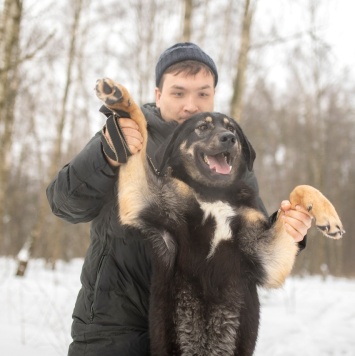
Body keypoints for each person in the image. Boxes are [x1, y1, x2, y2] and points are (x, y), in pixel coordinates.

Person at [46, 42, 312, 356]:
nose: (191, 104)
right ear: (158, 94)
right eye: (178, 92)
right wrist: (104, 156)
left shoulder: (231, 160)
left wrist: (290, 230)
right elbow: (65, 204)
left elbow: (254, 253)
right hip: (113, 330)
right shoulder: (124, 135)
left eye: (203, 93)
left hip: (197, 337)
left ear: (214, 94)